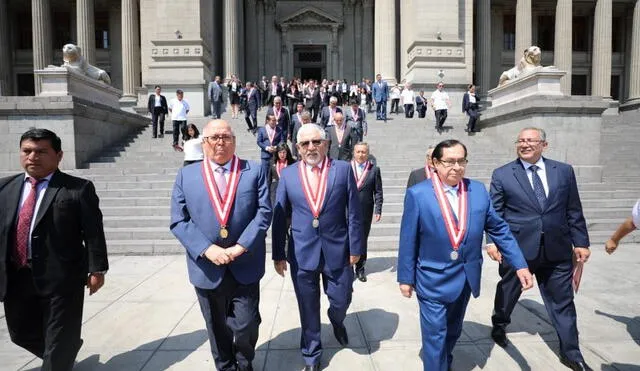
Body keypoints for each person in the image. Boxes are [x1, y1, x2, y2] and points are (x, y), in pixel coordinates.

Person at [397, 139, 533, 371]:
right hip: (432, 278)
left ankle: (444, 362)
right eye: (450, 161)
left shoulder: (477, 190)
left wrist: (520, 264)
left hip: (465, 277)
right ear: (436, 163)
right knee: (434, 337)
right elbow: (408, 238)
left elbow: (499, 228)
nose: (456, 167)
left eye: (461, 161)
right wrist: (405, 278)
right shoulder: (418, 194)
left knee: (452, 331)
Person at [0, 128, 109, 371]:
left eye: (41, 152)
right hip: (16, 276)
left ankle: (60, 353)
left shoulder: (77, 189)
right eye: (27, 151)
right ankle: (65, 349)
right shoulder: (5, 188)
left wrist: (97, 269)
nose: (32, 157)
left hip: (62, 278)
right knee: (20, 333)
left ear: (58, 156)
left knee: (58, 342)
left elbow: (92, 232)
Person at [486, 127, 593, 371]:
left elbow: (574, 209)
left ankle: (571, 353)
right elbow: (495, 214)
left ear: (543, 145)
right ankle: (499, 323)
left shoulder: (563, 171)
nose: (524, 145)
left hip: (557, 249)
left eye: (530, 141)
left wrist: (582, 242)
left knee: (563, 302)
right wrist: (492, 242)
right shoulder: (503, 174)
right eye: (521, 141)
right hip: (518, 250)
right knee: (508, 293)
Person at [170, 120, 271, 371]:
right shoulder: (187, 174)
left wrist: (241, 246)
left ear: (234, 141)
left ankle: (245, 361)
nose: (220, 142)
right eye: (214, 138)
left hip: (244, 262)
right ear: (204, 143)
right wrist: (208, 249)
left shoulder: (254, 170)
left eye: (225, 137)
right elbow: (178, 220)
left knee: (246, 323)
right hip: (207, 267)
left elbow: (264, 212)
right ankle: (225, 366)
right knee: (216, 328)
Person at [272, 123, 363, 371]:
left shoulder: (343, 170)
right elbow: (280, 216)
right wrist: (278, 254)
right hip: (302, 253)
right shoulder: (288, 174)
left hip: (338, 250)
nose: (311, 147)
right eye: (305, 143)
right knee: (308, 307)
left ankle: (337, 320)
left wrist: (356, 248)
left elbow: (354, 212)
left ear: (326, 143)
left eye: (316, 142)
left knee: (341, 299)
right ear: (298, 149)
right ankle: (312, 354)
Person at [351, 142, 383, 282]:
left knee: (362, 239)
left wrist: (378, 209)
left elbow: (378, 191)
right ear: (354, 152)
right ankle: (347, 268)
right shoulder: (346, 168)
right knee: (347, 238)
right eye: (358, 151)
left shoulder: (374, 170)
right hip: (347, 210)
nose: (361, 154)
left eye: (364, 152)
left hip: (366, 210)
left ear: (368, 153)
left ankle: (360, 268)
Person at [257, 114, 285, 179]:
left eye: (275, 120)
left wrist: (276, 147)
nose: (275, 122)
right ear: (268, 121)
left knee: (277, 174)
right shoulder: (262, 129)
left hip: (275, 156)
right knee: (266, 175)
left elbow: (282, 140)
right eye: (273, 120)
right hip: (265, 156)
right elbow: (259, 142)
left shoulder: (279, 129)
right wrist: (267, 148)